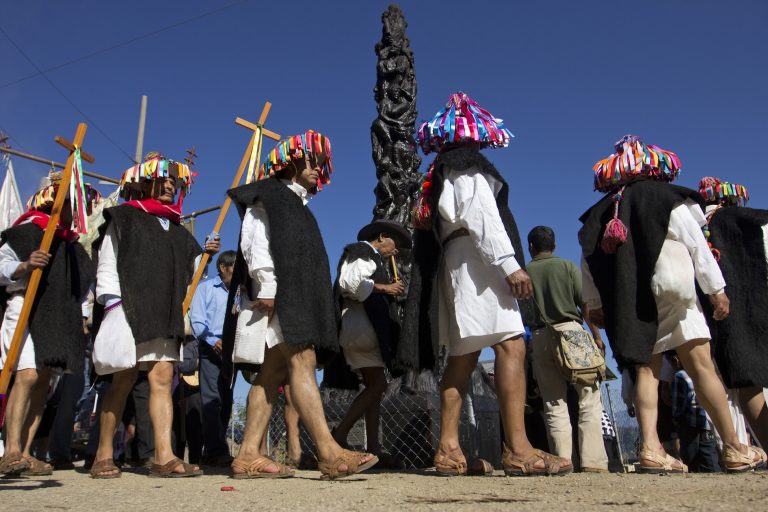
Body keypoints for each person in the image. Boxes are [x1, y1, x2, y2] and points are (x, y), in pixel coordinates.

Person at [401, 92, 573, 476]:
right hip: (480, 263)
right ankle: (518, 447)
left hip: (460, 264)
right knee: (511, 345)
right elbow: (483, 218)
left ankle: (448, 449)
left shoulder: (444, 171)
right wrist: (510, 264)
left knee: (464, 358)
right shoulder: (468, 169)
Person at [579, 135, 766, 473]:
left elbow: (588, 261)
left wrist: (594, 304)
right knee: (701, 364)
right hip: (674, 286)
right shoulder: (669, 198)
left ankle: (650, 447)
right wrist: (716, 290)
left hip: (632, 298)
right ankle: (736, 447)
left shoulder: (601, 211)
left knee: (646, 370)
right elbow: (697, 245)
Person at [222, 130, 378, 479]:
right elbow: (255, 240)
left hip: (295, 296)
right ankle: (328, 451)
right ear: (291, 159)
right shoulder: (268, 194)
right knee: (303, 358)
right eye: (312, 160)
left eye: (321, 164)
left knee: (272, 372)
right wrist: (267, 285)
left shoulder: (300, 207)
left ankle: (247, 454)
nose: (317, 168)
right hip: (279, 295)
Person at [89, 152, 219, 478]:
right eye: (163, 180)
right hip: (128, 307)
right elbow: (107, 263)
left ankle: (164, 456)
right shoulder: (122, 217)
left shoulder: (178, 231)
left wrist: (204, 256)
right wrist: (113, 306)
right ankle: (103, 454)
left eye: (173, 182)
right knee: (122, 379)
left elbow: (189, 276)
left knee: (162, 378)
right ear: (145, 181)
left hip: (165, 311)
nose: (169, 185)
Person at [0, 175, 96, 476]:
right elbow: (2, 265)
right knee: (26, 375)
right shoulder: (25, 232)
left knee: (43, 382)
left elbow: (80, 289)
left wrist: (81, 316)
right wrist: (25, 265)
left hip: (56, 318)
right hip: (26, 308)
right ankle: (11, 449)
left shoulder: (73, 247)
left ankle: (26, 452)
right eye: (72, 203)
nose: (78, 209)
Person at [526, 225, 608, 472]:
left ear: (530, 246)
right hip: (572, 331)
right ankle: (593, 462)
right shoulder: (567, 266)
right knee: (589, 398)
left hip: (540, 335)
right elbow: (585, 305)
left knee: (553, 402)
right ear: (555, 245)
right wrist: (596, 336)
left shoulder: (525, 271)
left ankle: (562, 461)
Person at [329, 219, 411, 464]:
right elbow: (350, 284)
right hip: (361, 328)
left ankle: (374, 446)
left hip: (364, 329)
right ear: (383, 236)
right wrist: (387, 288)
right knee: (378, 386)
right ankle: (340, 434)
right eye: (395, 245)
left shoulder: (374, 259)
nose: (396, 251)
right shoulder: (363, 251)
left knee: (375, 388)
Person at [697, 177, 768, 449]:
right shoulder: (755, 220)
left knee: (748, 386)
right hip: (759, 304)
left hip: (727, 321)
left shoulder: (700, 228)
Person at [190, 250, 235, 466]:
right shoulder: (205, 289)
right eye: (234, 268)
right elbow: (197, 320)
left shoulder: (238, 293)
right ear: (223, 268)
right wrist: (212, 341)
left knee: (226, 401)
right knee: (211, 399)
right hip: (211, 350)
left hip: (232, 353)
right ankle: (215, 450)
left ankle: (214, 449)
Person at [668, 353, 721, 472]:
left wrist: (676, 419)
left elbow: (679, 403)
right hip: (706, 422)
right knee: (709, 455)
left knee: (690, 456)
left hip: (689, 424)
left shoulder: (680, 376)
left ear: (676, 360)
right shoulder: (704, 373)